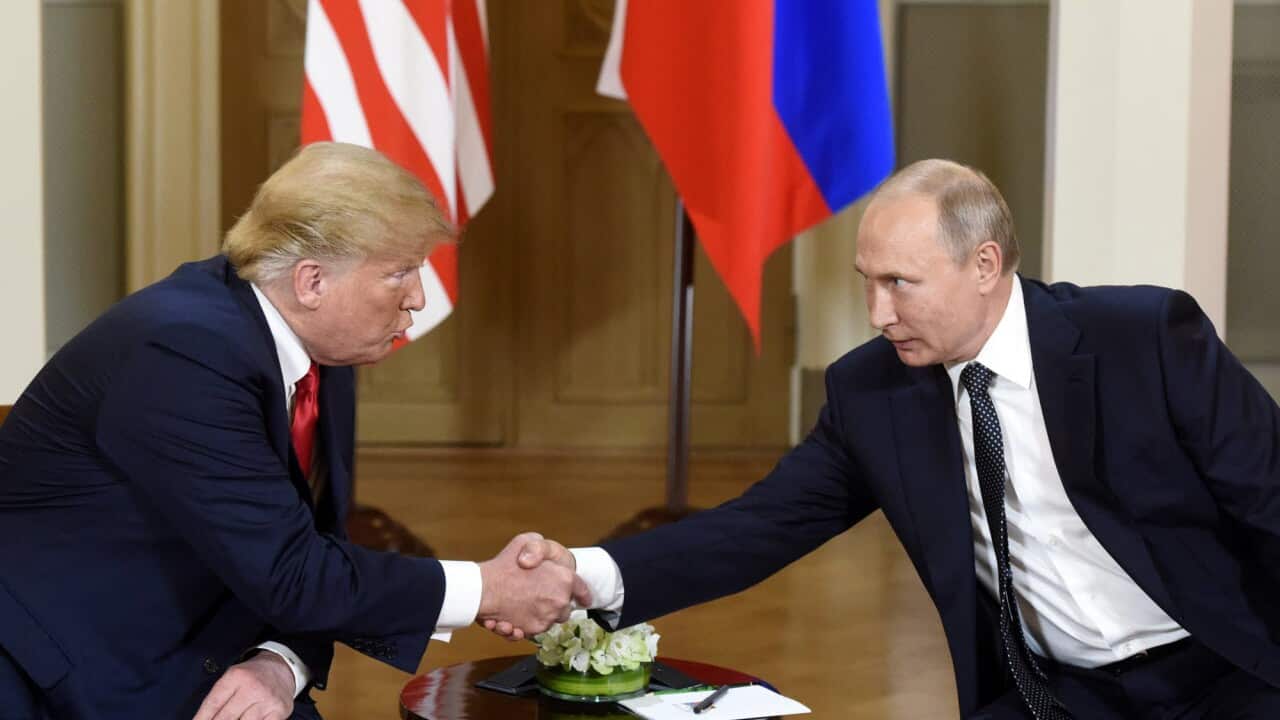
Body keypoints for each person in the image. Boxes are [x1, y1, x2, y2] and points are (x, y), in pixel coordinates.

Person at [499, 159, 1280, 718]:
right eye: (866, 282)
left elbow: (1270, 502)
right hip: (1057, 694)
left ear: (984, 264)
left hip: (1228, 670)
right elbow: (761, 526)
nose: (877, 313)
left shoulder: (1139, 338)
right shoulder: (873, 391)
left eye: (899, 283)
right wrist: (586, 575)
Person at [0, 142, 586, 720]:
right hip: (68, 671)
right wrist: (486, 588)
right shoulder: (180, 352)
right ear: (311, 282)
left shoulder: (315, 348)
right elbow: (293, 572)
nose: (418, 298)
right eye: (400, 272)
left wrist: (282, 663)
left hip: (217, 641)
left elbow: (312, 546)